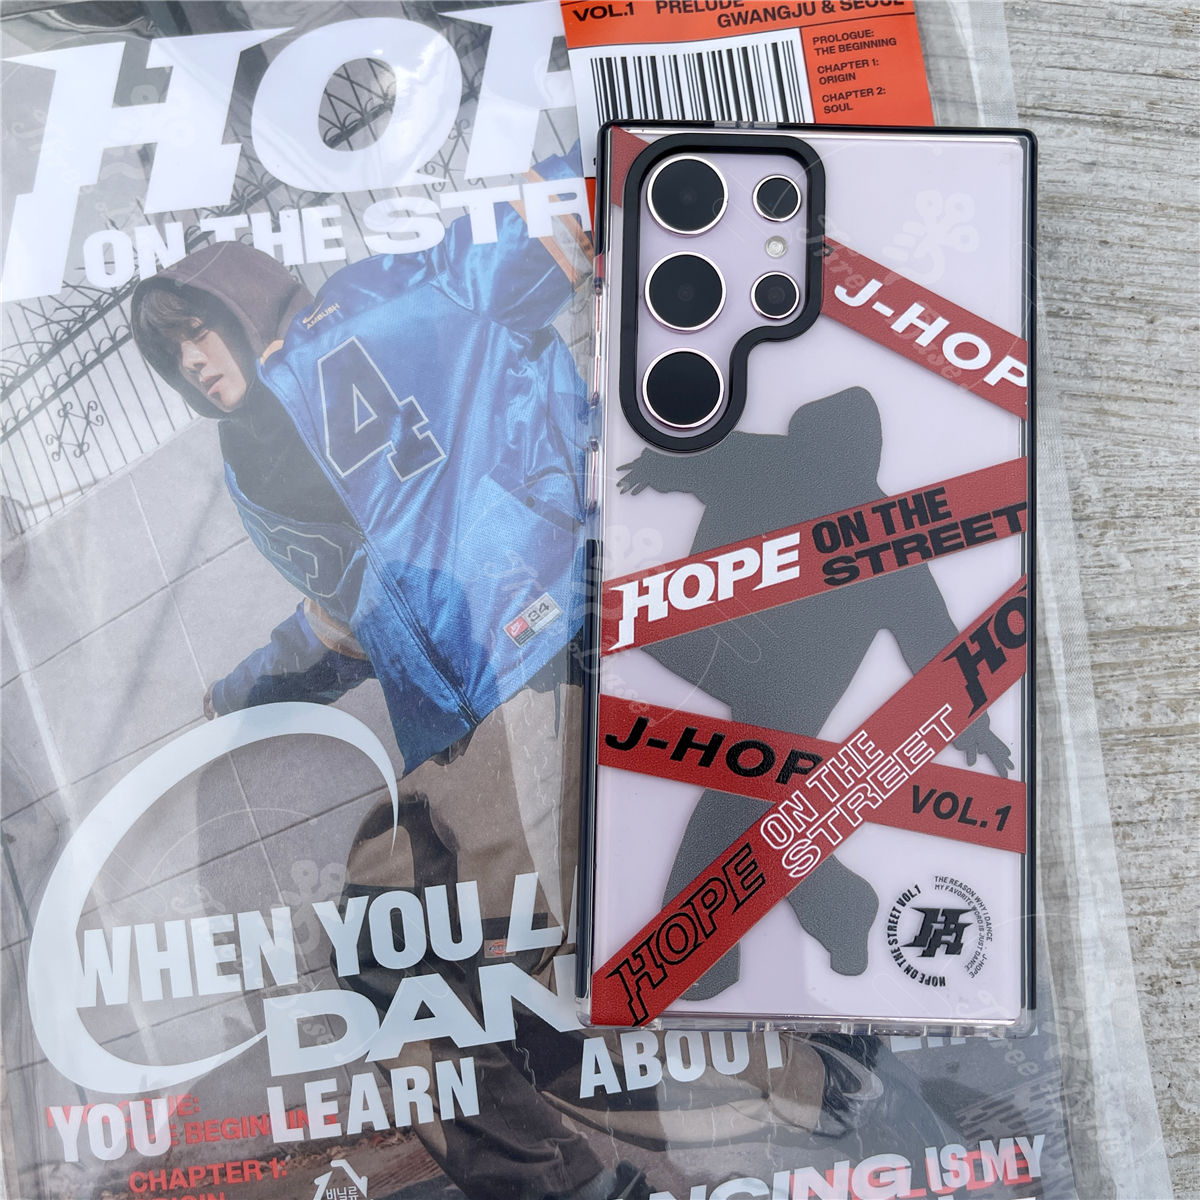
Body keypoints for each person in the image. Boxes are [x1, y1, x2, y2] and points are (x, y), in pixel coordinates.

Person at [131, 158, 656, 1200]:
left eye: (196, 330)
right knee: (385, 949)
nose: (189, 361)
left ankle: (784, 1095)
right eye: (170, 353)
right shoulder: (256, 457)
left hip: (535, 657)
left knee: (493, 956)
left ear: (243, 301)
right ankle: (560, 1183)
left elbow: (572, 209)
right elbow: (350, 616)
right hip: (450, 723)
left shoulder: (395, 298)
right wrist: (242, 694)